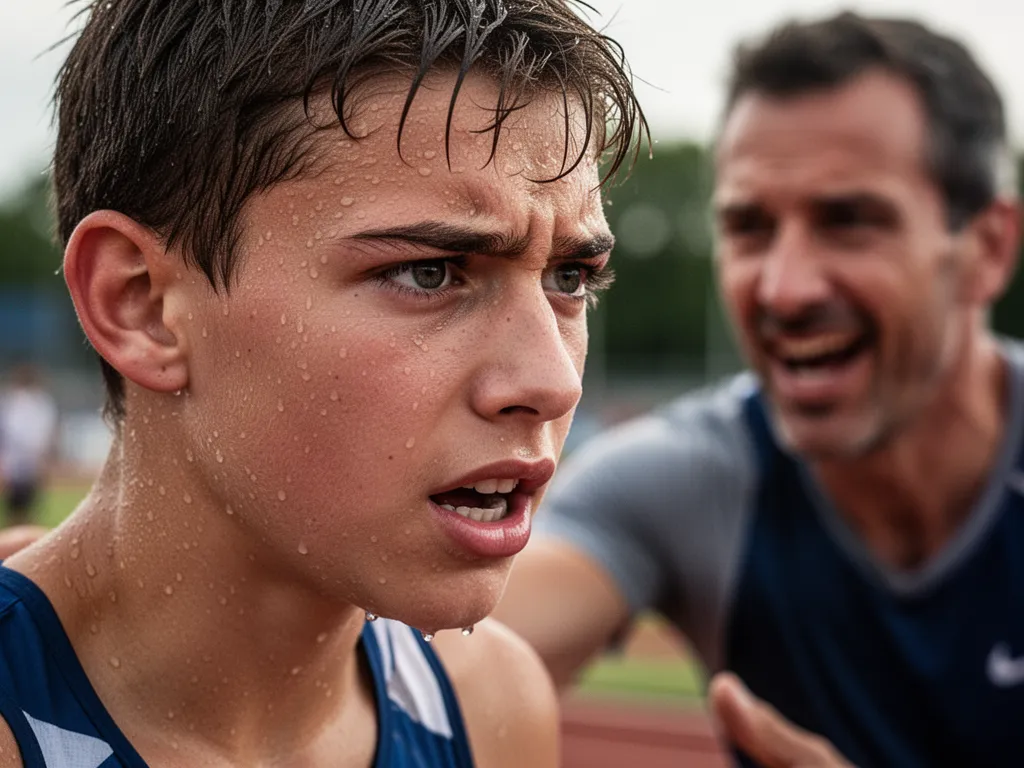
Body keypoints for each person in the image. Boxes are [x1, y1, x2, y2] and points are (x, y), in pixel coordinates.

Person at [0, 1, 644, 765]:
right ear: (140, 304)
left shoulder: (490, 707)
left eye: (569, 278)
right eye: (426, 273)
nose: (552, 381)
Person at [495, 11, 1024, 767]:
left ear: (988, 248)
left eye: (849, 221)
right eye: (749, 227)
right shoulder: (690, 479)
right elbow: (435, 666)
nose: (784, 287)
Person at [0, 364, 58, 527]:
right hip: (21, 460)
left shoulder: (35, 402)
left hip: (25, 460)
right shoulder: (19, 401)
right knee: (19, 508)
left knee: (23, 508)